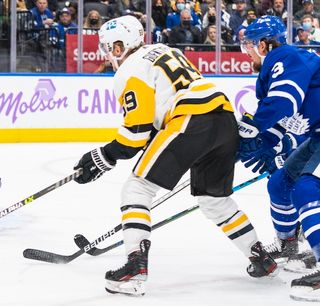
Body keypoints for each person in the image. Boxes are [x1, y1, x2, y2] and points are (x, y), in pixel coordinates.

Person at [73, 15, 277, 297]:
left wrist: (102, 156)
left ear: (121, 46)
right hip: (224, 119)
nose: (110, 54)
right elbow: (158, 121)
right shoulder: (168, 51)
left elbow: (136, 133)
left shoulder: (129, 69)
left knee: (138, 187)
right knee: (214, 199)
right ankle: (260, 257)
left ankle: (135, 266)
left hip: (190, 120)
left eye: (111, 47)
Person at [239, 15, 320, 301]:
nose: (246, 52)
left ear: (263, 44)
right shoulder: (280, 68)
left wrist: (251, 129)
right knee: (280, 183)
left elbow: (284, 101)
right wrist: (266, 142)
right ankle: (288, 246)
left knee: (304, 187)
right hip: (317, 135)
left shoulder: (284, 56)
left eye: (248, 45)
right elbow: (286, 119)